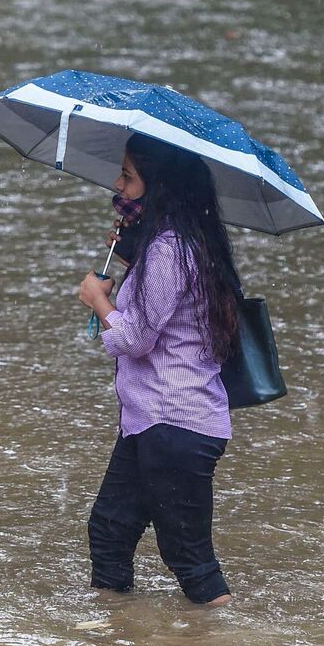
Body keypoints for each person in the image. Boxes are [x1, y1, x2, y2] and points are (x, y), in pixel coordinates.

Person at [76, 134, 242, 607]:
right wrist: (130, 256)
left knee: (190, 559)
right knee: (110, 530)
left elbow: (135, 339)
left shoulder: (170, 249)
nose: (118, 185)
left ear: (159, 186)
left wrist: (99, 300)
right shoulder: (175, 245)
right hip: (150, 421)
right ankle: (114, 641)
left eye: (128, 176)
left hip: (175, 423)